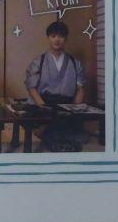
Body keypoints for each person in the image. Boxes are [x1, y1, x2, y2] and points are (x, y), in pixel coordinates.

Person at [25, 20, 88, 151]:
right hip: (44, 103)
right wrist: (43, 106)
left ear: (66, 38)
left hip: (66, 103)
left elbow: (80, 89)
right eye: (53, 36)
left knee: (69, 121)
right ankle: (58, 141)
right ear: (48, 38)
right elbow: (31, 88)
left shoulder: (75, 63)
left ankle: (53, 138)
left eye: (61, 36)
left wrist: (75, 107)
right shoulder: (39, 61)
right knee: (55, 121)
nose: (57, 40)